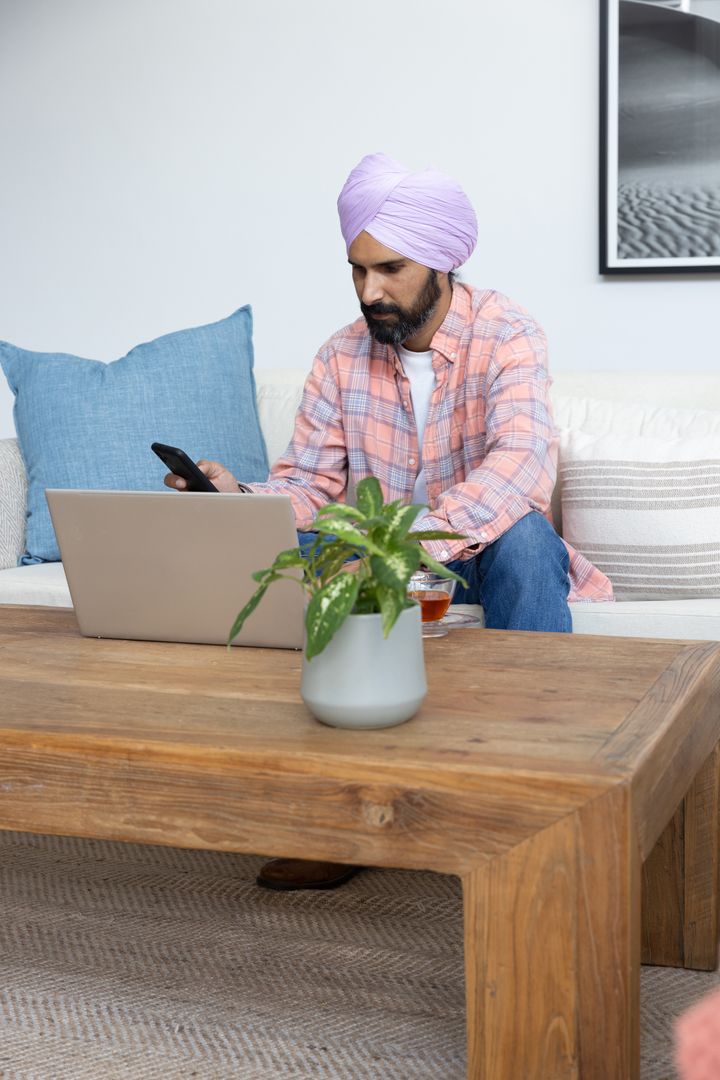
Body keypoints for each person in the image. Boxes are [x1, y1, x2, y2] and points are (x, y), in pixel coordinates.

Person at [165, 152, 613, 891]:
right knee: (287, 552)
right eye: (356, 270)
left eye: (391, 269)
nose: (370, 291)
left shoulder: (508, 333)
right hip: (366, 555)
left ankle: (534, 811)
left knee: (529, 539)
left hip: (467, 550)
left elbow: (523, 465)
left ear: (441, 261)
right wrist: (233, 501)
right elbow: (308, 484)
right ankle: (337, 818)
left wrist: (399, 548)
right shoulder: (341, 355)